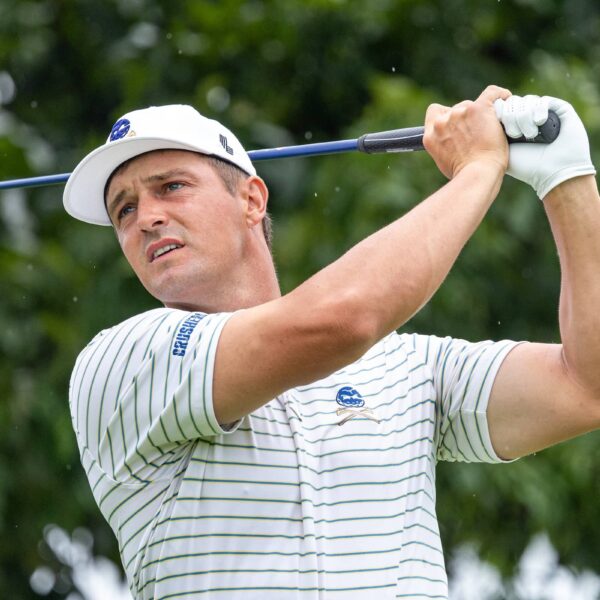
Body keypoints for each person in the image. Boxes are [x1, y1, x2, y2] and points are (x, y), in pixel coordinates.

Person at [64, 85, 600, 599]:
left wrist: (567, 179)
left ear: (251, 200)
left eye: (171, 186)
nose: (147, 219)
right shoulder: (123, 362)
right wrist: (479, 167)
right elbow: (343, 320)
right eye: (124, 209)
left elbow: (585, 387)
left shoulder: (407, 365)